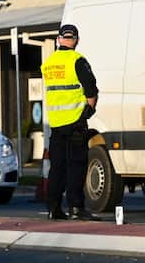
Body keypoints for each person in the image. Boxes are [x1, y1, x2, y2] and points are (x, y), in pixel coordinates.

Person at [41, 23, 99, 221]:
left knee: (57, 167)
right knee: (76, 165)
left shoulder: (48, 63)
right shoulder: (77, 60)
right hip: (75, 121)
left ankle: (54, 208)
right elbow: (91, 89)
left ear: (58, 39)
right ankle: (76, 208)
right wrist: (89, 110)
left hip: (56, 123)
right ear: (76, 40)